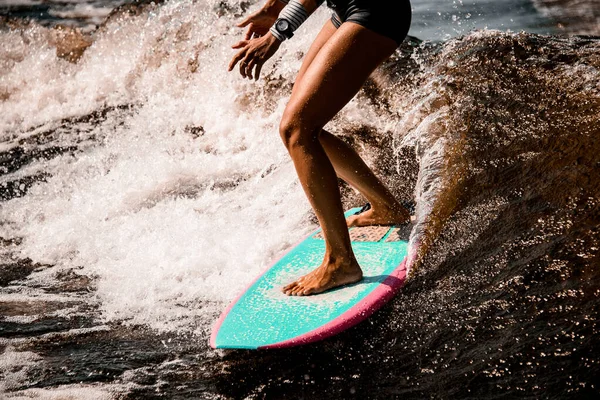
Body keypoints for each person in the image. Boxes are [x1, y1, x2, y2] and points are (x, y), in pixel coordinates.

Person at [228, 0, 412, 296]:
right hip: (347, 9)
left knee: (296, 128)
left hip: (377, 12)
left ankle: (341, 262)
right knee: (300, 124)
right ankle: (386, 207)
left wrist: (277, 32)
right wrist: (275, 7)